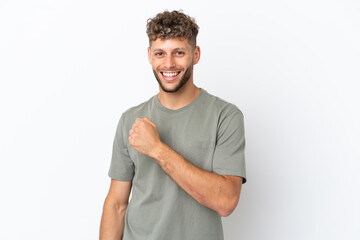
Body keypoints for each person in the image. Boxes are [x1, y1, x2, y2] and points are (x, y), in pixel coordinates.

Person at [99, 10, 247, 240]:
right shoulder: (131, 120)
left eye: (178, 53)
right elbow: (116, 204)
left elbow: (226, 201)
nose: (168, 64)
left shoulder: (225, 116)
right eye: (160, 53)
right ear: (149, 55)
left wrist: (157, 149)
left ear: (195, 55)